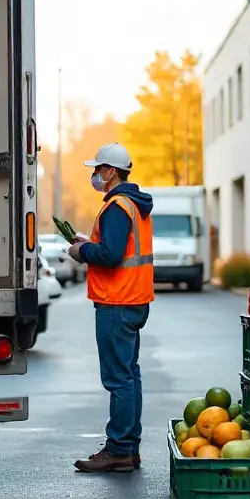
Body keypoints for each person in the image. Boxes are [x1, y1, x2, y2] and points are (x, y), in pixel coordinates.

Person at [67, 143, 155, 473]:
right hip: (133, 299)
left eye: (97, 169)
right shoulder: (135, 204)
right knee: (129, 376)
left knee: (119, 379)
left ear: (111, 172)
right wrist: (88, 244)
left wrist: (82, 252)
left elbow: (111, 254)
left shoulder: (118, 206)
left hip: (116, 301)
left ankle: (119, 448)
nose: (95, 175)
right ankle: (127, 447)